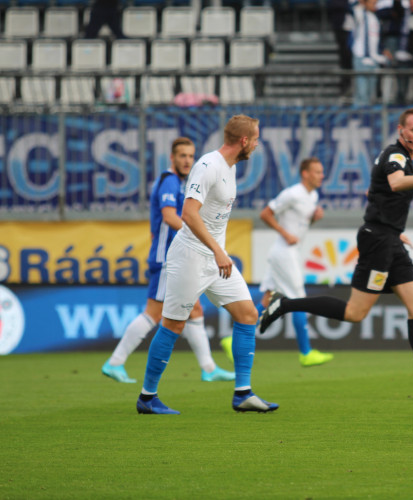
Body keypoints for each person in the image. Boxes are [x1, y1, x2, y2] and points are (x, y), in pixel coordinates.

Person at [259, 108, 413, 400]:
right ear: (401, 130)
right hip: (378, 243)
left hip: (389, 240)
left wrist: (392, 227)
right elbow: (396, 183)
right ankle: (283, 304)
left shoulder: (399, 158)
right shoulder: (396, 156)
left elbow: (375, 192)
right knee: (354, 312)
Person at [136, 115, 278, 415]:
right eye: (255, 138)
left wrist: (217, 252)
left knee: (248, 314)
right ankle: (147, 398)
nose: (257, 143)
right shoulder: (207, 165)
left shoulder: (230, 166)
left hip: (215, 259)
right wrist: (217, 250)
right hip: (190, 256)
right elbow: (188, 213)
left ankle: (243, 393)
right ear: (243, 141)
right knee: (173, 324)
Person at [102, 138, 234, 384]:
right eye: (182, 156)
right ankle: (115, 362)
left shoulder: (178, 183)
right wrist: (194, 230)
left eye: (190, 156)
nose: (187, 161)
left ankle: (209, 368)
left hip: (173, 257)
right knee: (153, 312)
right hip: (165, 258)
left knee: (194, 310)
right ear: (172, 158)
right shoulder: (169, 181)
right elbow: (169, 216)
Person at [256, 157, 334, 367]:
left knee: (266, 299)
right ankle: (306, 352)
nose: (321, 175)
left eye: (321, 172)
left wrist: (313, 218)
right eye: (317, 172)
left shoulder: (313, 195)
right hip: (284, 252)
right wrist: (285, 233)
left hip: (285, 252)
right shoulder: (292, 193)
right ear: (305, 174)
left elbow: (301, 222)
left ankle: (234, 337)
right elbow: (265, 213)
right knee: (298, 297)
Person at [352, 0, 390, 106]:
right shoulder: (359, 13)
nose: (375, 5)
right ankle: (358, 115)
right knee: (362, 91)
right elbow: (353, 7)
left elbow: (376, 38)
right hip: (361, 56)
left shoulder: (375, 17)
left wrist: (382, 50)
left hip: (373, 57)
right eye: (372, 2)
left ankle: (367, 118)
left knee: (370, 92)